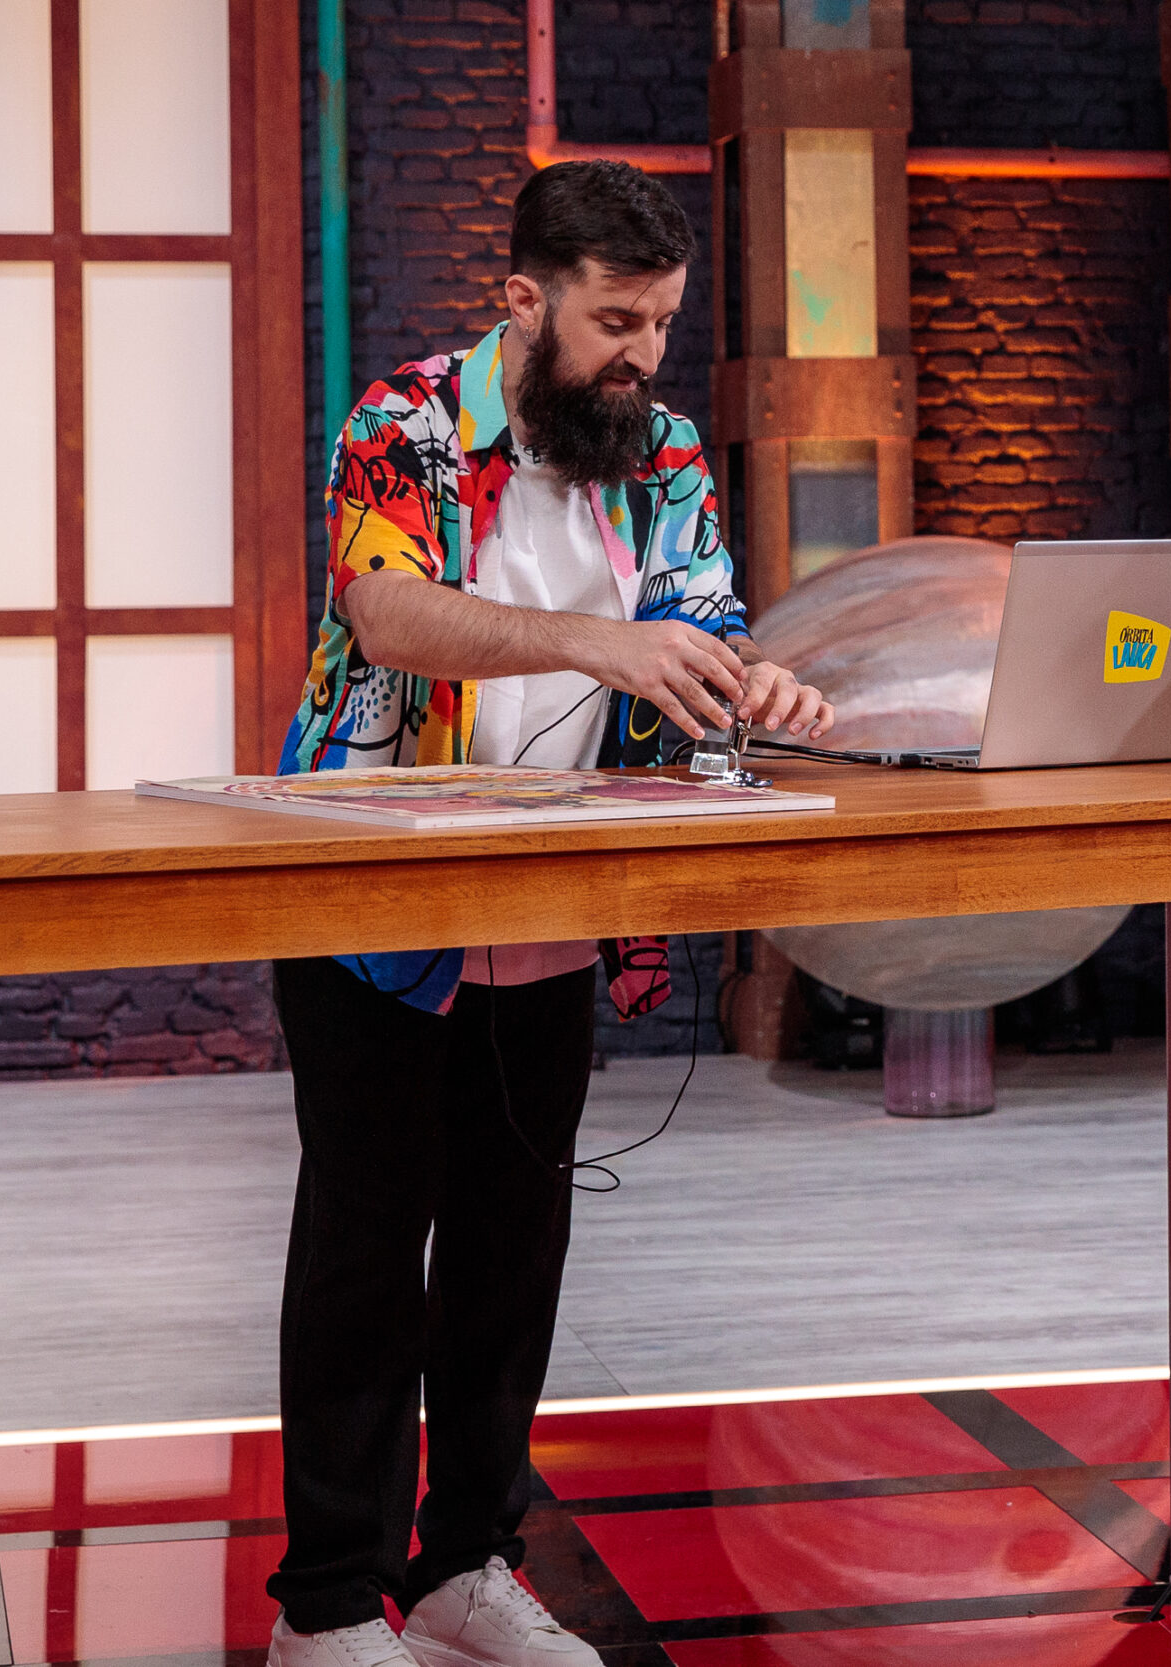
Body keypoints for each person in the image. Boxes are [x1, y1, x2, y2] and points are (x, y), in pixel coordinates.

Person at [265, 160, 835, 1667]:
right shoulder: (401, 425)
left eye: (661, 322)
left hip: (556, 897)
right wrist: (602, 638)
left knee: (515, 1256)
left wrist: (747, 670)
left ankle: (465, 1567)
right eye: (617, 320)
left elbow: (700, 615)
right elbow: (388, 611)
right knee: (367, 1255)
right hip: (372, 896)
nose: (644, 354)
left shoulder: (661, 450)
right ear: (524, 298)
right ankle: (326, 1605)